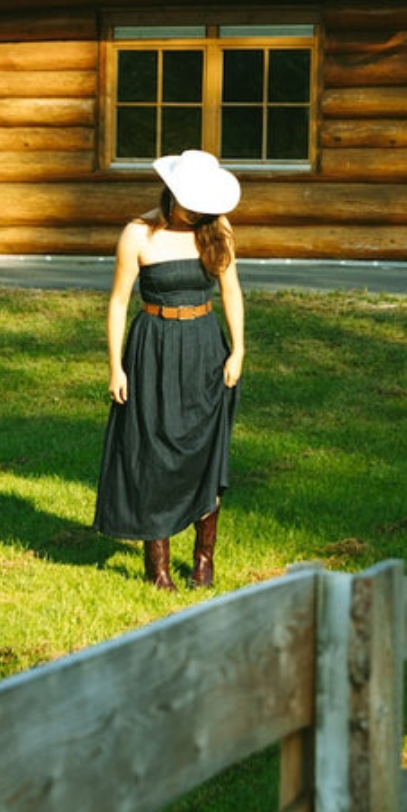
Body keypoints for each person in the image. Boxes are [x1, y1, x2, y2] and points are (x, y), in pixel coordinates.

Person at [93, 149, 245, 591]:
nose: (196, 211)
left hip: (204, 347)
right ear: (171, 192)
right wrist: (116, 367)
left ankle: (202, 561)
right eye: (189, 201)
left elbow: (231, 292)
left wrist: (237, 351)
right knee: (154, 452)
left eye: (203, 203)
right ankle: (157, 568)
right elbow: (119, 302)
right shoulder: (138, 234)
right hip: (153, 350)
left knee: (204, 450)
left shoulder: (218, 229)